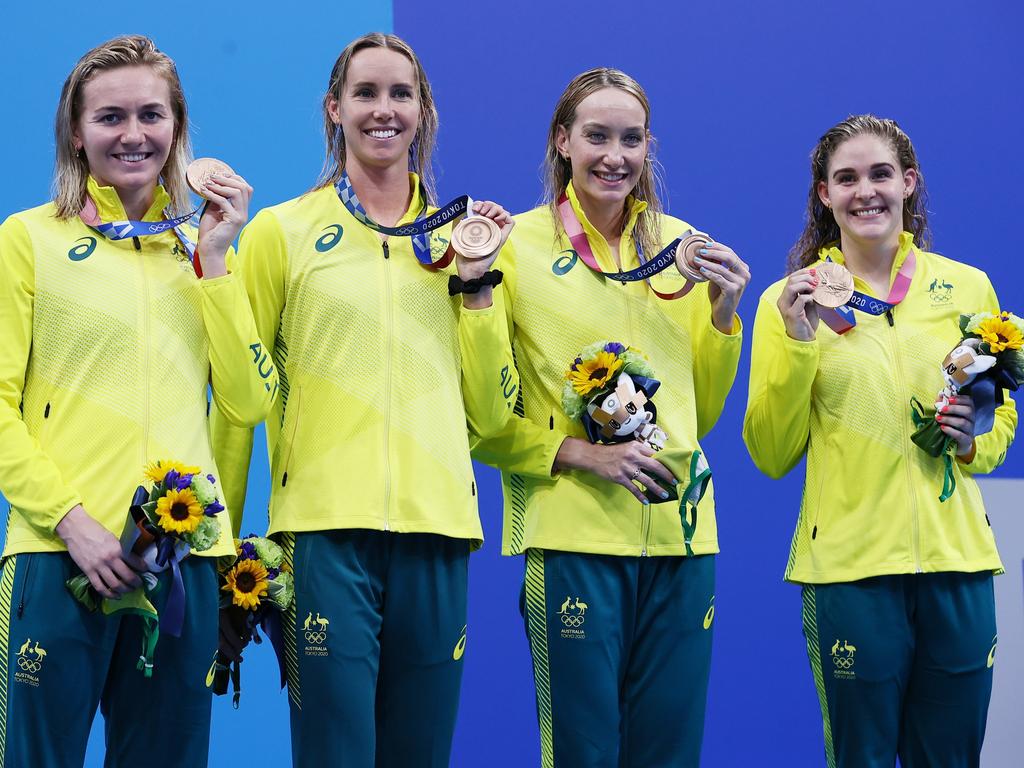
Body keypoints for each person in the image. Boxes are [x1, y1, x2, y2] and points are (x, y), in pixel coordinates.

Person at [209, 32, 516, 768]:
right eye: (367, 93)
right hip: (323, 539)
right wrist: (215, 547)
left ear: (424, 111)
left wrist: (476, 285)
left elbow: (494, 412)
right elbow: (238, 399)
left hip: (438, 533)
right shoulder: (282, 233)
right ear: (334, 108)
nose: (384, 110)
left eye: (400, 94)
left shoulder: (463, 241)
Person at [0, 34, 275, 767]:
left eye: (151, 116)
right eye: (110, 117)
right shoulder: (28, 240)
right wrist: (72, 523)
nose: (132, 135)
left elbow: (249, 400)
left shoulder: (205, 247)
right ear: (76, 132)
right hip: (59, 556)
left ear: (178, 131)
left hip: (180, 565)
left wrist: (215, 262)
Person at [471, 67, 750, 767]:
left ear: (647, 146)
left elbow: (701, 412)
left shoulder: (683, 248)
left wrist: (722, 316)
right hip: (575, 540)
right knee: (582, 755)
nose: (614, 156)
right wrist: (581, 455)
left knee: (670, 755)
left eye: (630, 139)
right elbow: (483, 416)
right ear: (562, 141)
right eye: (596, 135)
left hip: (682, 538)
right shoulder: (514, 246)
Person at [743, 114, 1018, 768]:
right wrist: (798, 341)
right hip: (851, 574)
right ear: (824, 196)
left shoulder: (967, 287)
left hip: (958, 566)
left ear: (909, 183)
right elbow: (770, 450)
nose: (865, 191)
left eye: (880, 174)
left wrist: (971, 442)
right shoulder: (791, 301)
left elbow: (997, 415)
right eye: (847, 179)